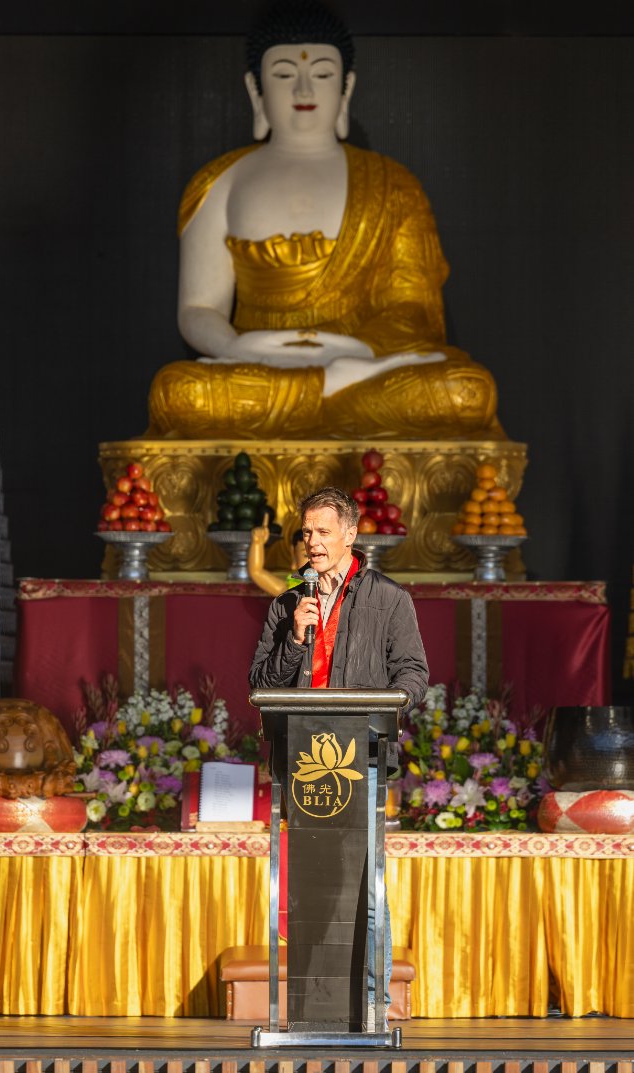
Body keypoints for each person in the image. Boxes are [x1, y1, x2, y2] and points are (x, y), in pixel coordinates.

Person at [148, 0, 500, 440]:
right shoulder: (220, 181)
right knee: (179, 393)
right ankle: (332, 389)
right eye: (282, 75)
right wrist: (236, 346)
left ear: (346, 88)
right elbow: (198, 309)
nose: (302, 91)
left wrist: (357, 349)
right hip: (257, 367)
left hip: (365, 363)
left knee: (465, 392)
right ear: (255, 90)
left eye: (321, 75)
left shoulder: (394, 185)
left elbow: (414, 309)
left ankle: (336, 383)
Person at [249, 485, 429, 1026]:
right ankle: (309, 1006)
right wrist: (295, 639)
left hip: (362, 756)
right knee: (309, 880)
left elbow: (414, 674)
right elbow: (260, 682)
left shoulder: (389, 598)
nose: (313, 543)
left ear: (350, 534)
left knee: (364, 878)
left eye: (323, 532)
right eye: (306, 533)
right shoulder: (287, 604)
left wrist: (390, 706)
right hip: (302, 760)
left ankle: (372, 1002)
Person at [248, 517, 307, 596]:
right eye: (306, 555)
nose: (313, 560)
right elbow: (256, 572)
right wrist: (257, 543)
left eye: (318, 554)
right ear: (294, 556)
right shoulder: (292, 591)